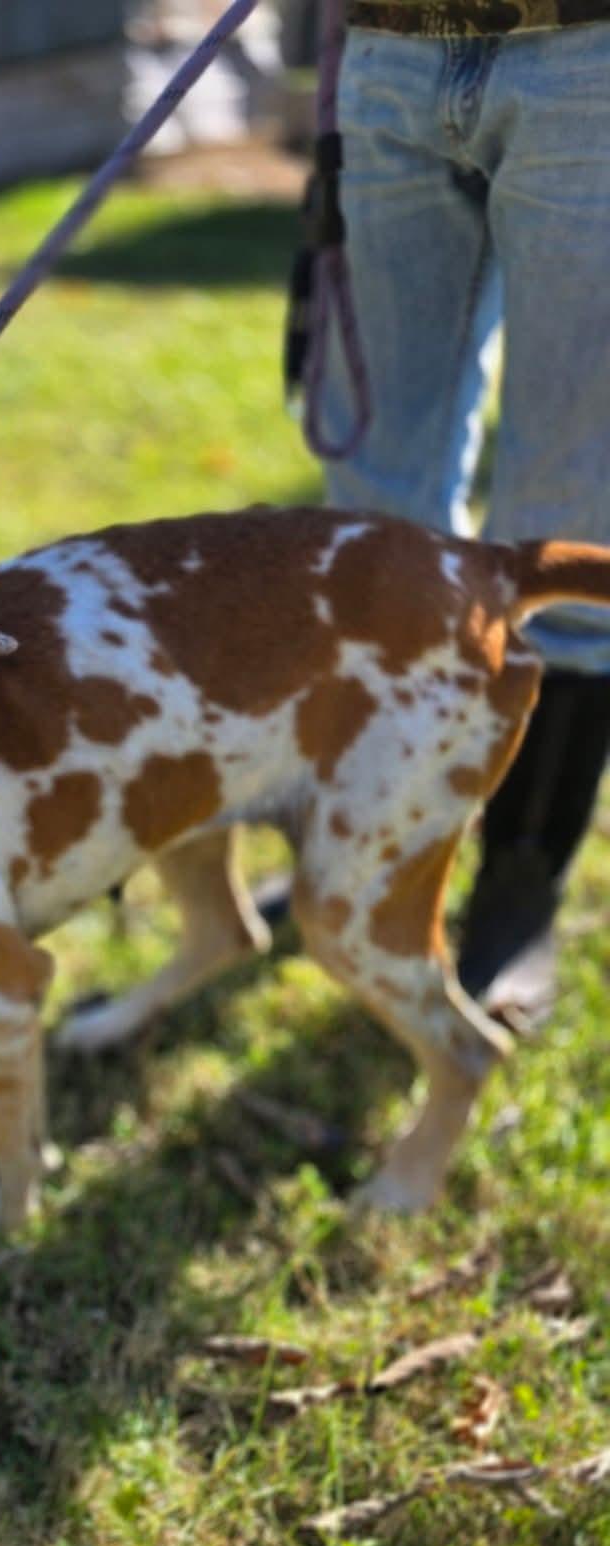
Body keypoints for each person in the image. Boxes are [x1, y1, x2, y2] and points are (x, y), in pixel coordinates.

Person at [313, 0, 610, 1025]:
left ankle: (518, 885)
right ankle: (379, 840)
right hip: (386, 46)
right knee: (372, 505)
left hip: (590, 57)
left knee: (573, 512)